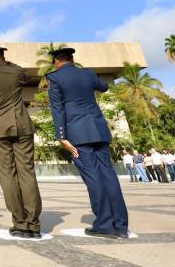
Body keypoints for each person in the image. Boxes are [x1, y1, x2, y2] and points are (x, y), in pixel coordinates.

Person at [46, 47, 129, 239]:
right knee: (109, 175)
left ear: (56, 61)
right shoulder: (88, 73)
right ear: (72, 59)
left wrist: (61, 136)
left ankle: (104, 224)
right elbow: (104, 87)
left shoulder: (55, 78)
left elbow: (57, 109)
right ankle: (121, 225)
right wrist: (88, 79)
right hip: (99, 130)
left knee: (93, 177)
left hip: (77, 135)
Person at [0, 44, 41, 239]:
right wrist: (8, 63)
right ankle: (34, 224)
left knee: (7, 175)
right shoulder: (16, 72)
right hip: (22, 126)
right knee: (27, 173)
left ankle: (20, 223)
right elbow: (26, 75)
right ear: (3, 56)